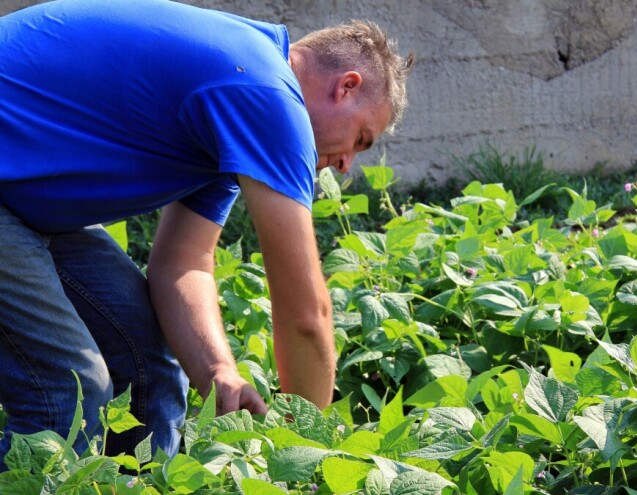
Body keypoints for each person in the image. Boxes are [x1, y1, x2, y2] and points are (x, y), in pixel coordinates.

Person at [0, 0, 413, 469]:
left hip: (20, 197)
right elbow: (305, 313)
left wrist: (218, 371)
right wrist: (307, 456)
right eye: (361, 139)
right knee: (69, 391)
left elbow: (183, 262)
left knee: (148, 365)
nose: (346, 165)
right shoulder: (263, 92)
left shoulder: (238, 97)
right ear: (346, 87)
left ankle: (136, 479)